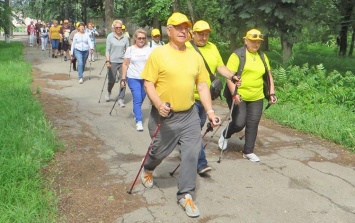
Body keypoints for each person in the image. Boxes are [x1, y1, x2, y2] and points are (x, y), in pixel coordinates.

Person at [140, 12, 220, 218]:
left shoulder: (194, 55)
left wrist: (210, 112)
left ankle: (185, 195)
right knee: (158, 153)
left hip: (189, 115)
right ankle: (148, 169)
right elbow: (148, 82)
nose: (184, 31)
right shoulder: (158, 54)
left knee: (192, 154)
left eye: (186, 28)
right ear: (169, 31)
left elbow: (202, 85)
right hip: (164, 117)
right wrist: (158, 104)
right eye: (179, 28)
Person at [185, 20, 238, 175]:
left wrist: (232, 76)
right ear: (192, 34)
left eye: (206, 34)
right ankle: (201, 163)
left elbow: (220, 67)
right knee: (195, 130)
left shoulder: (213, 47)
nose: (204, 37)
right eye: (200, 34)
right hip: (189, 98)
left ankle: (186, 145)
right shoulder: (185, 48)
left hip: (205, 98)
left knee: (198, 126)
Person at [219, 28, 277, 162]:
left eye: (258, 42)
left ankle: (248, 151)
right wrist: (235, 94)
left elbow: (268, 75)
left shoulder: (262, 56)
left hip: (257, 96)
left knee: (253, 123)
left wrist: (272, 93)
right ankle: (225, 134)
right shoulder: (237, 55)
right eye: (252, 41)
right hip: (240, 96)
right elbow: (229, 77)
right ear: (245, 40)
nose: (256, 44)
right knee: (239, 123)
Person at [121, 29, 152, 131]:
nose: (141, 40)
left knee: (142, 97)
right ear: (135, 38)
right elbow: (125, 64)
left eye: (143, 38)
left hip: (145, 78)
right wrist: (123, 78)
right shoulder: (130, 49)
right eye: (139, 38)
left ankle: (135, 110)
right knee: (137, 97)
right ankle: (139, 121)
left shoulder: (149, 49)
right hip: (133, 77)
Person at [105, 20, 130, 107]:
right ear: (114, 28)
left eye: (120, 27)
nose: (119, 29)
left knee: (123, 80)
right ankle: (108, 91)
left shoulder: (125, 37)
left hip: (123, 62)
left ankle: (121, 98)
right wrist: (108, 61)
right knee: (111, 80)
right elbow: (107, 50)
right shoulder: (110, 37)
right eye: (117, 27)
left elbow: (128, 50)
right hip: (113, 61)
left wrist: (128, 62)